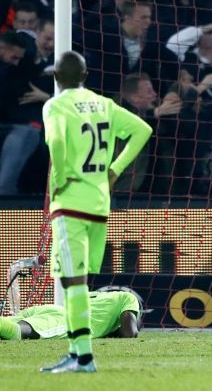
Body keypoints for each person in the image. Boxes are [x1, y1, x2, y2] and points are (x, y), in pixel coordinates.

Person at [40, 51, 152, 373]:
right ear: (85, 75)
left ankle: (83, 357)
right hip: (100, 203)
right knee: (81, 282)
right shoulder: (104, 104)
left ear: (57, 78)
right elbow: (142, 130)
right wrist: (114, 170)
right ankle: (78, 352)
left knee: (71, 283)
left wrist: (58, 182)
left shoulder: (55, 105)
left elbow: (58, 143)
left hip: (72, 201)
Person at [0, 289, 141, 342]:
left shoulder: (96, 297)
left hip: (50, 309)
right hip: (67, 321)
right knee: (18, 333)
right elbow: (130, 333)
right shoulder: (128, 298)